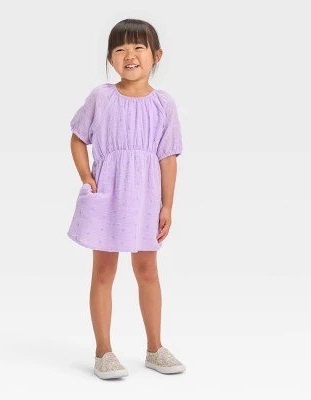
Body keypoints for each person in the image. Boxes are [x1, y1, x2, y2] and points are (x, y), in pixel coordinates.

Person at [67, 18, 186, 380]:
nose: (129, 55)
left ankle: (155, 348)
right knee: (103, 271)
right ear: (110, 59)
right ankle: (103, 351)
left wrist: (167, 205)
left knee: (147, 270)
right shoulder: (101, 97)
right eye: (119, 49)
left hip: (146, 197)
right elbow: (78, 137)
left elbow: (168, 156)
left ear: (156, 56)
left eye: (138, 47)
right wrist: (87, 177)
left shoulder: (163, 104)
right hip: (107, 194)